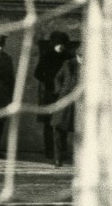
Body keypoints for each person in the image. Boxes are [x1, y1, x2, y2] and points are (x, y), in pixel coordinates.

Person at [34, 31, 71, 159]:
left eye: (63, 44)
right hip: (49, 95)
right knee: (49, 124)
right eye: (58, 44)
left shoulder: (67, 58)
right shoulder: (46, 57)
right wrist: (48, 81)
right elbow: (37, 73)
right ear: (54, 44)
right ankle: (49, 151)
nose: (61, 46)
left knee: (63, 123)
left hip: (63, 94)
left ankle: (61, 152)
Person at [50, 48, 80, 167]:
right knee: (58, 129)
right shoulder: (67, 64)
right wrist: (60, 90)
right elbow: (57, 78)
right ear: (77, 55)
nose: (82, 59)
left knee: (80, 132)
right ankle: (58, 159)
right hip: (65, 101)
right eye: (80, 57)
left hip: (79, 103)